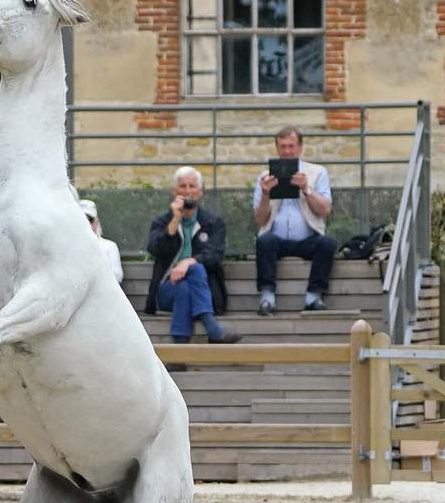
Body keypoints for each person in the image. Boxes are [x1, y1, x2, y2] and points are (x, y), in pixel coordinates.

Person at [144, 166, 239, 345]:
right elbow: (155, 250)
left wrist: (189, 262)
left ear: (201, 191)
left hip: (203, 291)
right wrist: (175, 220)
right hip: (166, 290)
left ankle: (179, 350)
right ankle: (213, 328)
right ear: (175, 191)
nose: (187, 191)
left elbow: (215, 255)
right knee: (186, 280)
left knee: (186, 285)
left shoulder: (213, 222)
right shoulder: (162, 222)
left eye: (192, 186)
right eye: (182, 186)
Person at [253, 126, 336, 314]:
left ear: (300, 147)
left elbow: (324, 210)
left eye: (291, 146)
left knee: (327, 243)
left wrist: (307, 189)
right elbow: (260, 219)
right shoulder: (264, 177)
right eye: (282, 147)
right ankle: (267, 298)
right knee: (264, 240)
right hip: (276, 240)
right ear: (277, 148)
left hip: (308, 239)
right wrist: (266, 194)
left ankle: (313, 297)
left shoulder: (318, 172)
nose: (287, 151)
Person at [79, 198, 123, 284]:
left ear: (96, 222)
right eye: (82, 220)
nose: (86, 224)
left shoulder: (109, 247)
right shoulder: (69, 249)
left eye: (90, 220)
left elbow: (117, 277)